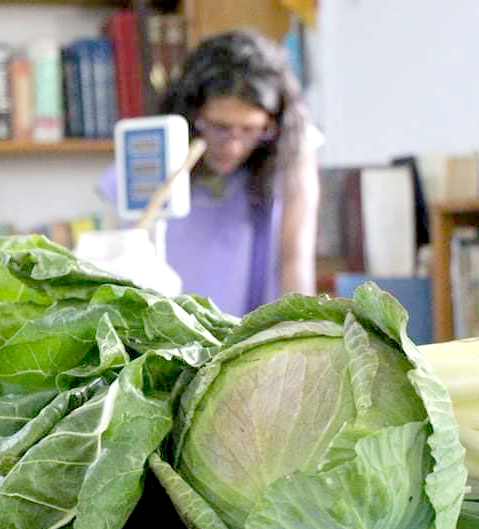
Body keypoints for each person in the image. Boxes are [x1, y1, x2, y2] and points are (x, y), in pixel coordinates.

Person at [97, 30, 320, 316]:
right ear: (193, 115)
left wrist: (303, 331)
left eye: (251, 129)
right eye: (220, 127)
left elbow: (294, 259)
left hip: (246, 335)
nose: (234, 146)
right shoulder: (152, 156)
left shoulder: (288, 152)